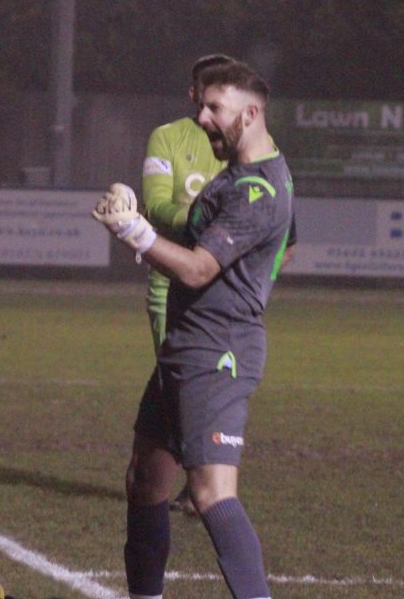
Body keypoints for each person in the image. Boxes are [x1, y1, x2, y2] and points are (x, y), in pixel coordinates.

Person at [92, 60, 295, 599]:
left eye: (214, 109)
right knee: (146, 480)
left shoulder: (260, 190)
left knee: (210, 493)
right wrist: (146, 220)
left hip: (218, 351)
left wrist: (134, 233)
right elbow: (198, 233)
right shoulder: (234, 178)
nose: (202, 118)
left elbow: (201, 267)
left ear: (250, 113)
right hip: (184, 345)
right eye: (201, 106)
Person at [140, 53, 234, 515]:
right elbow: (156, 207)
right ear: (193, 94)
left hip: (227, 296)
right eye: (206, 89)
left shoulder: (249, 144)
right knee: (178, 387)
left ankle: (202, 486)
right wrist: (210, 223)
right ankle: (183, 485)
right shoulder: (168, 138)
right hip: (170, 290)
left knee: (217, 388)